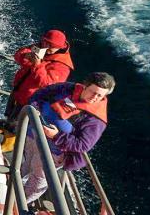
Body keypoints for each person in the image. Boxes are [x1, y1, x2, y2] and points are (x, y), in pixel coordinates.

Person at [21, 72, 115, 204]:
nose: (95, 97)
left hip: (55, 152)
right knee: (26, 162)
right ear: (84, 86)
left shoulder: (96, 120)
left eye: (100, 95)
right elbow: (44, 92)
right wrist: (36, 105)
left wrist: (56, 136)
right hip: (34, 134)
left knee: (38, 179)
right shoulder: (68, 88)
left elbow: (82, 145)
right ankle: (15, 184)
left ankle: (19, 202)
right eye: (93, 92)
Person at [5, 30, 74, 121]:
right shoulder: (39, 46)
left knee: (18, 125)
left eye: (51, 45)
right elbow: (18, 54)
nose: (46, 46)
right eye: (45, 42)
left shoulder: (62, 66)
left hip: (31, 100)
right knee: (9, 115)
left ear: (59, 47)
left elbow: (48, 84)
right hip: (18, 91)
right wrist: (26, 56)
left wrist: (37, 65)